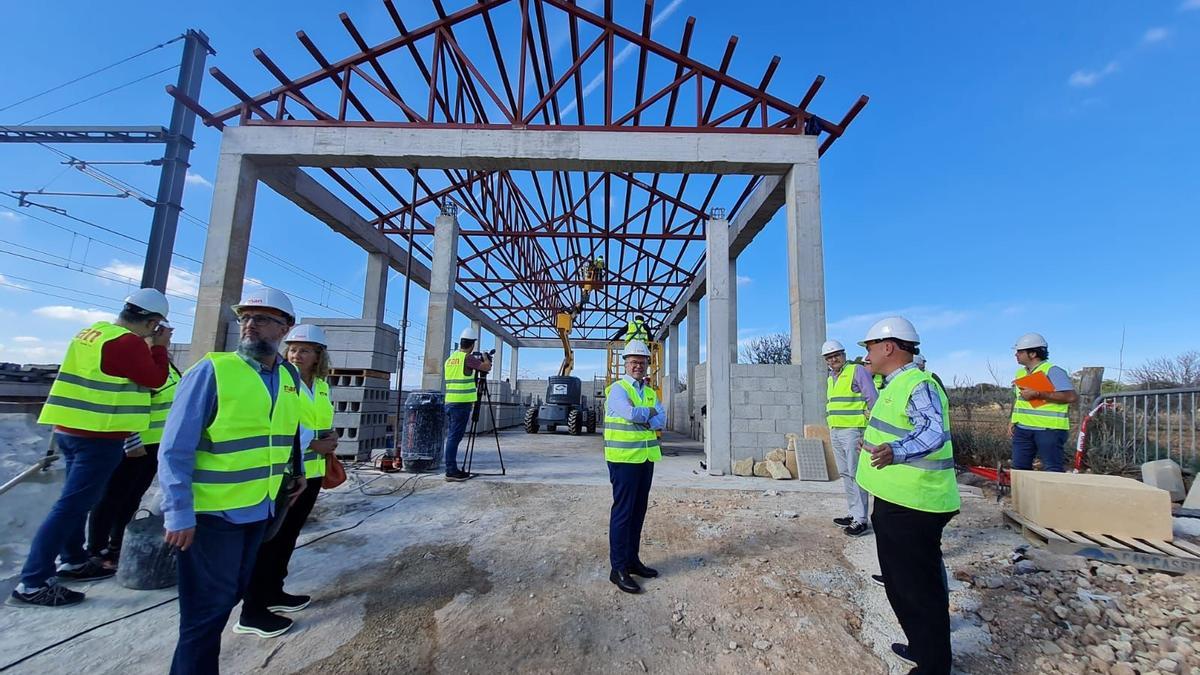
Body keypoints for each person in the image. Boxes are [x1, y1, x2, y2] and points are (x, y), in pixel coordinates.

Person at [158, 288, 307, 674]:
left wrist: (297, 473)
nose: (250, 325)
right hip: (212, 513)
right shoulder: (213, 371)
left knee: (228, 597)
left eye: (263, 319)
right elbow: (175, 448)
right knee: (204, 613)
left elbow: (285, 431)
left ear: (285, 328)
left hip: (260, 506)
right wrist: (178, 512)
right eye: (246, 318)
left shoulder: (287, 376)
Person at [9, 288, 170, 608]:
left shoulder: (92, 333)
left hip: (69, 429)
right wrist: (160, 348)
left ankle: (73, 560)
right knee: (71, 506)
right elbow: (155, 378)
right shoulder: (127, 342)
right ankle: (33, 582)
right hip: (99, 435)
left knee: (76, 502)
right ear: (152, 323)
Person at [854, 317, 959, 675]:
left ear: (889, 347)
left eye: (868, 347)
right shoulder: (894, 384)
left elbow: (932, 432)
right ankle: (921, 647)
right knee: (902, 586)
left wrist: (895, 452)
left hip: (915, 504)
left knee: (918, 591)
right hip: (898, 501)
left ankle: (933, 667)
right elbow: (902, 429)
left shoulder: (918, 383)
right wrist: (872, 445)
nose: (866, 356)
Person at [236, 324, 339, 638]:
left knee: (288, 535)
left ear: (318, 356)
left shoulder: (320, 384)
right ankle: (251, 610)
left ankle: (273, 591)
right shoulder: (278, 379)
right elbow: (279, 420)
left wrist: (329, 437)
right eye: (293, 349)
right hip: (285, 472)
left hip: (312, 471)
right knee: (271, 538)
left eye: (304, 350)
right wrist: (311, 443)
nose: (296, 355)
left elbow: (318, 418)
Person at [87, 322, 182, 569]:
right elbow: (127, 403)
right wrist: (132, 440)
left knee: (132, 497)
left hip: (156, 444)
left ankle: (118, 544)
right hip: (135, 444)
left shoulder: (164, 363)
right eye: (166, 333)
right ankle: (96, 551)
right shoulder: (141, 362)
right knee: (112, 497)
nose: (169, 338)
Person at [603, 340, 666, 594]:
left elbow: (662, 418)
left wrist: (649, 414)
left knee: (638, 512)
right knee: (623, 514)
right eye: (633, 362)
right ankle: (617, 569)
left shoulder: (649, 392)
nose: (638, 366)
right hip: (623, 460)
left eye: (641, 362)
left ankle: (632, 561)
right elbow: (630, 415)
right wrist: (649, 413)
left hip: (646, 459)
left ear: (647, 365)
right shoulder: (617, 390)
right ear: (625, 364)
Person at [821, 339, 878, 537]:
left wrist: (873, 429)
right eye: (829, 357)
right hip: (836, 430)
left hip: (853, 431)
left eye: (836, 355)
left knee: (856, 474)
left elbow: (872, 398)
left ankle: (861, 519)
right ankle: (854, 513)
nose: (833, 359)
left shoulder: (856, 371)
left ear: (844, 355)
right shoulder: (831, 378)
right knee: (845, 473)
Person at [1010, 332, 1077, 473]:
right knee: (1019, 469)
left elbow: (1070, 397)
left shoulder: (1053, 371)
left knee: (1052, 469)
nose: (1016, 355)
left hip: (1049, 430)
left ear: (1033, 354)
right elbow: (1019, 401)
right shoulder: (1020, 373)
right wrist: (1012, 421)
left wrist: (1038, 394)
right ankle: (1024, 495)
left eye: (1020, 352)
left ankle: (1053, 495)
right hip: (1023, 429)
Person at [443, 327, 491, 482]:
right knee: (454, 437)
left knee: (452, 436)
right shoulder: (467, 358)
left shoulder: (451, 359)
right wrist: (485, 357)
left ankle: (451, 468)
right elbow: (486, 367)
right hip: (461, 404)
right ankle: (451, 471)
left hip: (450, 402)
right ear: (471, 345)